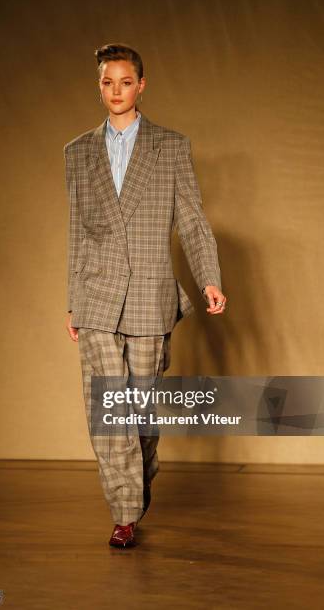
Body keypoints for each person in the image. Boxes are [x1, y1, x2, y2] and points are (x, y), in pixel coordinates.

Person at [63, 43, 226, 548]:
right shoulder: (76, 152)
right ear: (100, 86)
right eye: (107, 82)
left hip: (150, 296)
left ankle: (136, 484)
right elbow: (77, 230)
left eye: (125, 81)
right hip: (95, 297)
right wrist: (73, 298)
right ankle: (125, 512)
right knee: (111, 407)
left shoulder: (171, 147)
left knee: (141, 411)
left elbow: (193, 221)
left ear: (141, 85)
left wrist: (209, 278)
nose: (116, 91)